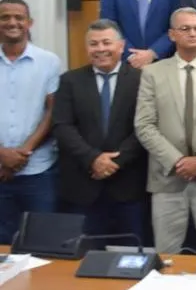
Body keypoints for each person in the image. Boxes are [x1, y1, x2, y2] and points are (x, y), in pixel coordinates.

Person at [134, 8, 196, 253]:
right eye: (185, 29)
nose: (192, 33)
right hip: (166, 178)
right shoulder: (152, 73)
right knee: (166, 257)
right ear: (172, 34)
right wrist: (177, 161)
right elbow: (143, 125)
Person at [52, 20, 148, 241]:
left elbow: (145, 126)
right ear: (87, 48)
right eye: (94, 44)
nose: (101, 49)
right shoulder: (70, 81)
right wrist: (93, 159)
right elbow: (62, 126)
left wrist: (116, 161)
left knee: (131, 258)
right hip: (82, 187)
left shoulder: (142, 79)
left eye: (107, 42)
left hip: (128, 186)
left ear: (121, 46)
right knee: (79, 258)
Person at [0, 0, 61, 244]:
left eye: (19, 17)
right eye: (5, 17)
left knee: (42, 245)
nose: (12, 22)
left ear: (29, 23)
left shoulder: (49, 62)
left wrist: (22, 152)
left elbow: (52, 111)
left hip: (38, 170)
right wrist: (3, 154)